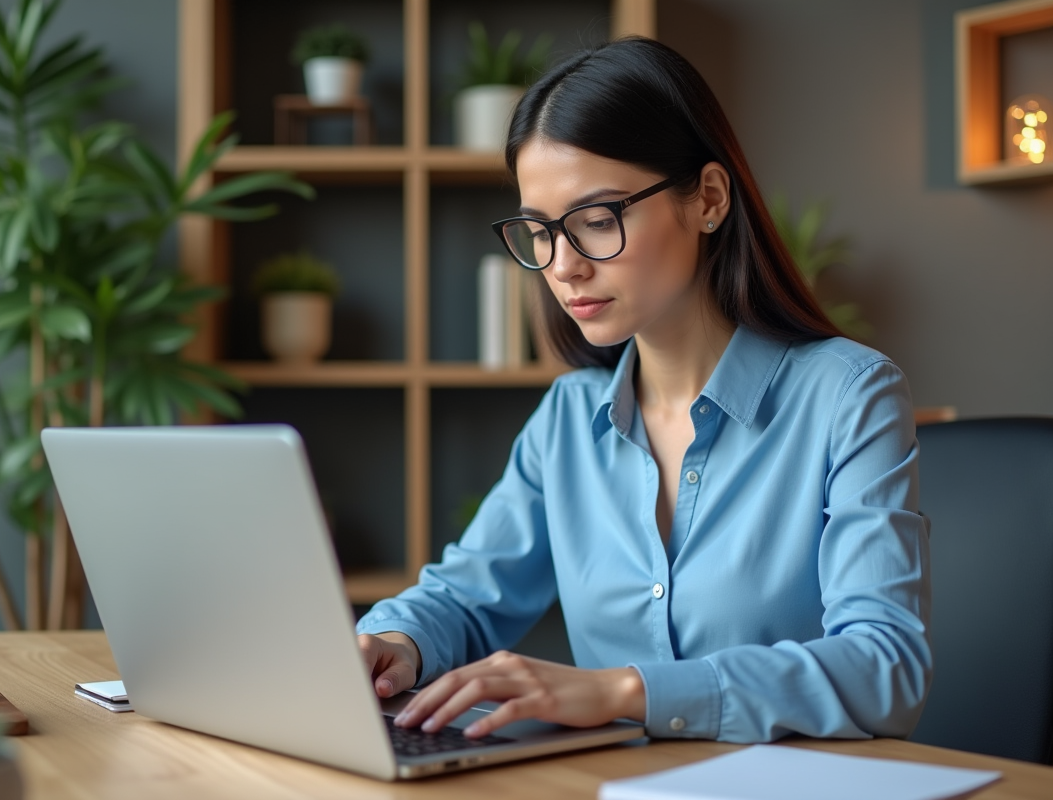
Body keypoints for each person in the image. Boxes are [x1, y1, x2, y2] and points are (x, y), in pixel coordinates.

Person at [356, 36, 931, 744]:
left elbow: (886, 668)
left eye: (596, 221)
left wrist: (623, 691)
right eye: (539, 231)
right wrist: (395, 643)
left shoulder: (850, 397)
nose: (561, 266)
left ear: (709, 200)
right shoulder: (567, 418)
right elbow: (468, 600)